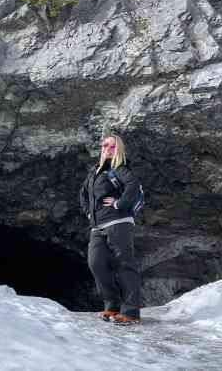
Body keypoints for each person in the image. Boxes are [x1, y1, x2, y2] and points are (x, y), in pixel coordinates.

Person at [79, 133, 143, 324]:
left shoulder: (119, 167)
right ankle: (112, 305)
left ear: (118, 150)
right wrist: (89, 213)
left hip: (119, 223)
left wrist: (119, 204)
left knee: (124, 263)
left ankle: (130, 311)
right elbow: (83, 194)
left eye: (112, 146)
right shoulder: (95, 171)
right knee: (95, 263)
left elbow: (133, 185)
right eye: (105, 145)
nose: (107, 148)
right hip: (97, 226)